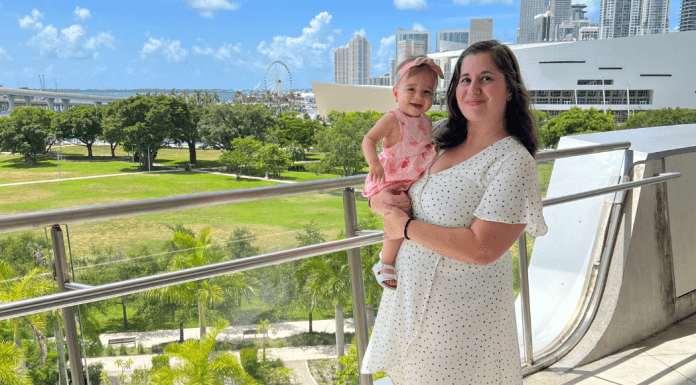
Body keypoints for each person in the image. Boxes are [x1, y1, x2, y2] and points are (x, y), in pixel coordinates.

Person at [361, 40, 548, 384]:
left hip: (461, 320)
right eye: (464, 79)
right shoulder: (439, 138)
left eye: (486, 78)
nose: (473, 89)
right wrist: (380, 202)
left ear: (509, 89)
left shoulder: (512, 161)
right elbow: (393, 184)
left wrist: (405, 228)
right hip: (411, 306)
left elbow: (482, 248)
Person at [361, 57, 444, 289]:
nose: (419, 97)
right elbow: (369, 139)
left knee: (406, 216)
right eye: (411, 89)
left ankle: (396, 258)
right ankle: (385, 261)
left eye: (427, 92)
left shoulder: (426, 121)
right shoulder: (393, 119)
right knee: (395, 216)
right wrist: (373, 162)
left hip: (408, 182)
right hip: (389, 182)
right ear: (396, 92)